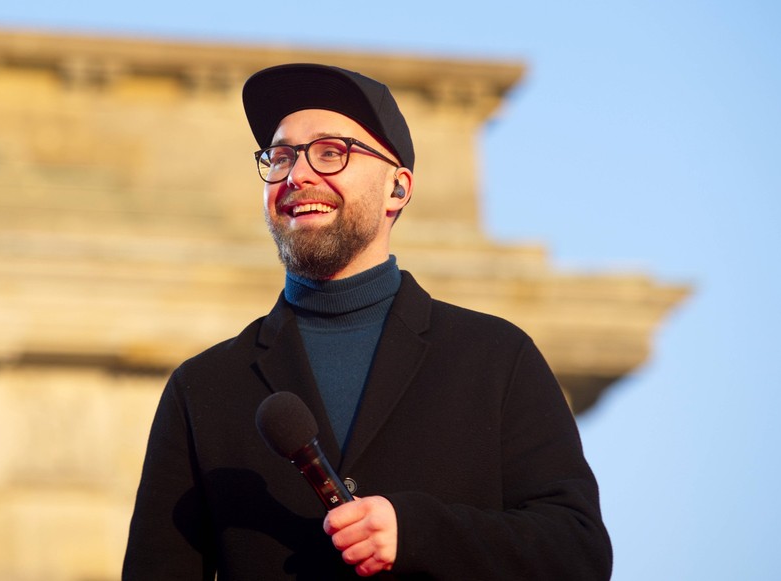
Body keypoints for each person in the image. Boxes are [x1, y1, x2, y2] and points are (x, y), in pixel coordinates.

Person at [123, 63, 612, 580]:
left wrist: (419, 533)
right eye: (281, 156)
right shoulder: (203, 387)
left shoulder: (497, 357)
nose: (296, 175)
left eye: (331, 152)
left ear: (397, 189)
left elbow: (577, 552)